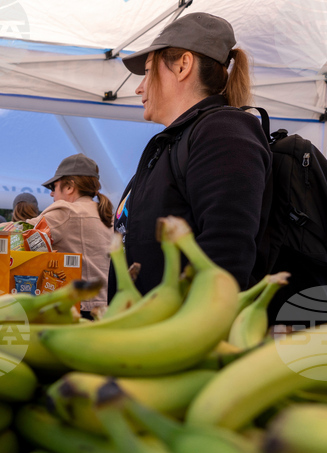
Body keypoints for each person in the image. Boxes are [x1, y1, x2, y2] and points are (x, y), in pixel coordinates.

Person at [115, 13, 270, 294]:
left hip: (175, 334)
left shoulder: (224, 132)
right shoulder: (178, 140)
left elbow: (226, 257)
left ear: (183, 65)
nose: (139, 87)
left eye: (148, 71)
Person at [16, 153, 115, 315]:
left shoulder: (67, 211)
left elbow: (19, 229)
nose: (51, 194)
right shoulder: (107, 214)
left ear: (69, 187)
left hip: (80, 308)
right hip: (106, 307)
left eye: (53, 187)